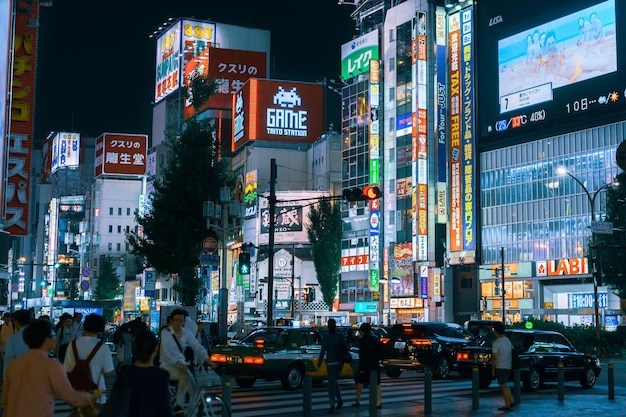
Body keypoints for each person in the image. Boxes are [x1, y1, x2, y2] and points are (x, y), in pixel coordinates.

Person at [2, 319, 96, 417]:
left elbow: (5, 400)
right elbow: (69, 396)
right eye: (53, 335)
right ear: (47, 340)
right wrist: (91, 398)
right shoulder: (52, 367)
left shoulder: (13, 365)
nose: (55, 339)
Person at [159, 309, 217, 415]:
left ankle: (189, 413)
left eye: (181, 320)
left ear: (184, 322)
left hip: (182, 365)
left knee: (194, 391)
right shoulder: (165, 333)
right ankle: (179, 405)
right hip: (166, 365)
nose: (178, 323)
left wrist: (207, 359)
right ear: (171, 321)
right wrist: (178, 362)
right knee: (184, 376)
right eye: (176, 320)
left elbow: (197, 346)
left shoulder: (186, 332)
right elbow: (167, 351)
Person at [115, 330, 174, 417]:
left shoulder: (125, 372)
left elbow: (116, 402)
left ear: (135, 347)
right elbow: (164, 408)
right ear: (156, 348)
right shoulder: (161, 375)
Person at [63, 314, 115, 405]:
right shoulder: (103, 347)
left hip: (78, 393)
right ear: (100, 329)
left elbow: (67, 368)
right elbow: (108, 372)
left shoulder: (73, 345)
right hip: (97, 394)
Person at [317, 318, 345, 412]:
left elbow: (323, 350)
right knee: (334, 381)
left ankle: (332, 405)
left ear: (328, 326)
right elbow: (345, 348)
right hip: (340, 363)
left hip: (331, 363)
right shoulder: (340, 336)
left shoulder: (326, 337)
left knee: (331, 385)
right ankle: (340, 400)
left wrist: (319, 363)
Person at [352, 322, 382, 409]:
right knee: (377, 384)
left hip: (365, 365)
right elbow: (379, 352)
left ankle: (357, 400)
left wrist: (361, 368)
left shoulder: (362, 341)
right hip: (375, 364)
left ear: (362, 331)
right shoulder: (375, 339)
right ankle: (378, 402)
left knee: (359, 382)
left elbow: (362, 355)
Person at [492, 321, 514, 411]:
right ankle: (510, 401)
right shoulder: (507, 340)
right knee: (505, 384)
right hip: (508, 365)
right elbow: (512, 350)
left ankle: (507, 404)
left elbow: (494, 357)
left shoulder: (496, 343)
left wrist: (493, 369)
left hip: (500, 366)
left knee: (503, 385)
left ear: (496, 331)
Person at [3, 309, 33, 376]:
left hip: (18, 377)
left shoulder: (12, 340)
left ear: (16, 321)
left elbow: (8, 362)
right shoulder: (38, 337)